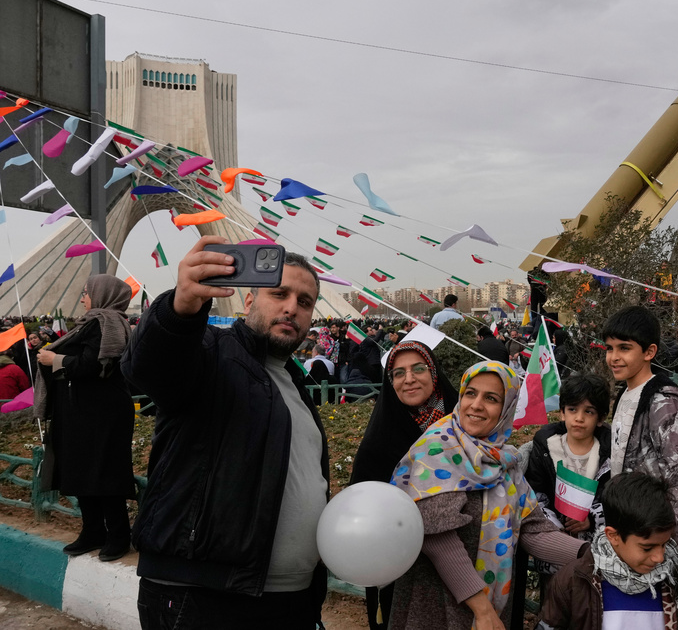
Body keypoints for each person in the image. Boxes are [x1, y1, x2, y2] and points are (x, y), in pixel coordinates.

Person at [121, 236, 330, 629]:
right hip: (204, 597)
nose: (291, 307)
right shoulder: (210, 352)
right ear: (248, 302)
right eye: (279, 293)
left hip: (290, 600)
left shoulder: (293, 385)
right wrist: (179, 309)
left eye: (305, 302)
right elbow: (151, 368)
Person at [389, 361, 587, 630]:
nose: (476, 405)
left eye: (491, 398)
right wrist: (481, 608)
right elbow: (437, 536)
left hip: (488, 609)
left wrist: (591, 554)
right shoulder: (437, 448)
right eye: (471, 393)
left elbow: (533, 531)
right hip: (438, 606)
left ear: (506, 409)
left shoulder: (504, 462)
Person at [350, 340, 459, 630]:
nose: (408, 379)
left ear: (434, 373)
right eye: (398, 373)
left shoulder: (463, 425)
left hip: (462, 565)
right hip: (401, 569)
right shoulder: (380, 440)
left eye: (418, 369)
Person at [34, 275, 135, 562]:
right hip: (82, 411)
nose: (82, 298)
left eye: (86, 293)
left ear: (102, 295)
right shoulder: (94, 322)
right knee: (82, 470)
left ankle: (118, 535)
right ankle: (93, 531)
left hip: (102, 413)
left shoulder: (108, 322)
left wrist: (55, 361)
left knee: (104, 471)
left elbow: (98, 365)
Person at [602, 305, 678, 578]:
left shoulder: (664, 403)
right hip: (633, 528)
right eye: (609, 348)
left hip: (660, 536)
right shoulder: (625, 394)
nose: (614, 357)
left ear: (649, 352)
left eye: (624, 348)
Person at [536, 472, 678, 630]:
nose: (659, 557)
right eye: (647, 548)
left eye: (664, 544)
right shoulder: (573, 584)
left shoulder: (673, 579)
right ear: (613, 536)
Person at [525, 373, 612, 593]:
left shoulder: (611, 453)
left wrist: (592, 518)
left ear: (600, 418)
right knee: (555, 602)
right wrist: (553, 528)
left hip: (597, 550)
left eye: (588, 412)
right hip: (555, 547)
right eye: (572, 409)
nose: (579, 418)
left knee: (590, 604)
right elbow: (536, 493)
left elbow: (614, 495)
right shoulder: (545, 447)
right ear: (562, 412)